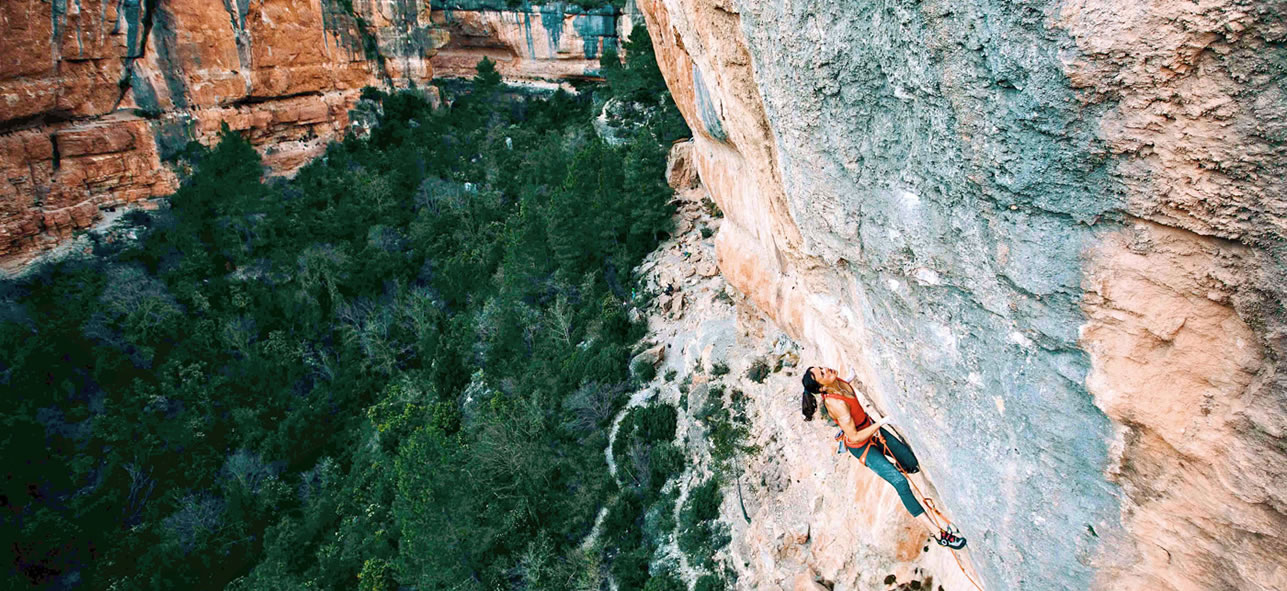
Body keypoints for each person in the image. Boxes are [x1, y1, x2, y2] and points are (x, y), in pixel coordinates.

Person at [801, 366, 966, 549]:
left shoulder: (837, 383)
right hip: (861, 446)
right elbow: (854, 437)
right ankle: (939, 534)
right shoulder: (835, 404)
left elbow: (842, 390)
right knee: (900, 482)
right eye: (822, 374)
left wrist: (850, 378)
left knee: (911, 464)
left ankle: (900, 466)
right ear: (822, 389)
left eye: (822, 368)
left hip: (869, 428)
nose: (827, 369)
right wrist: (881, 422)